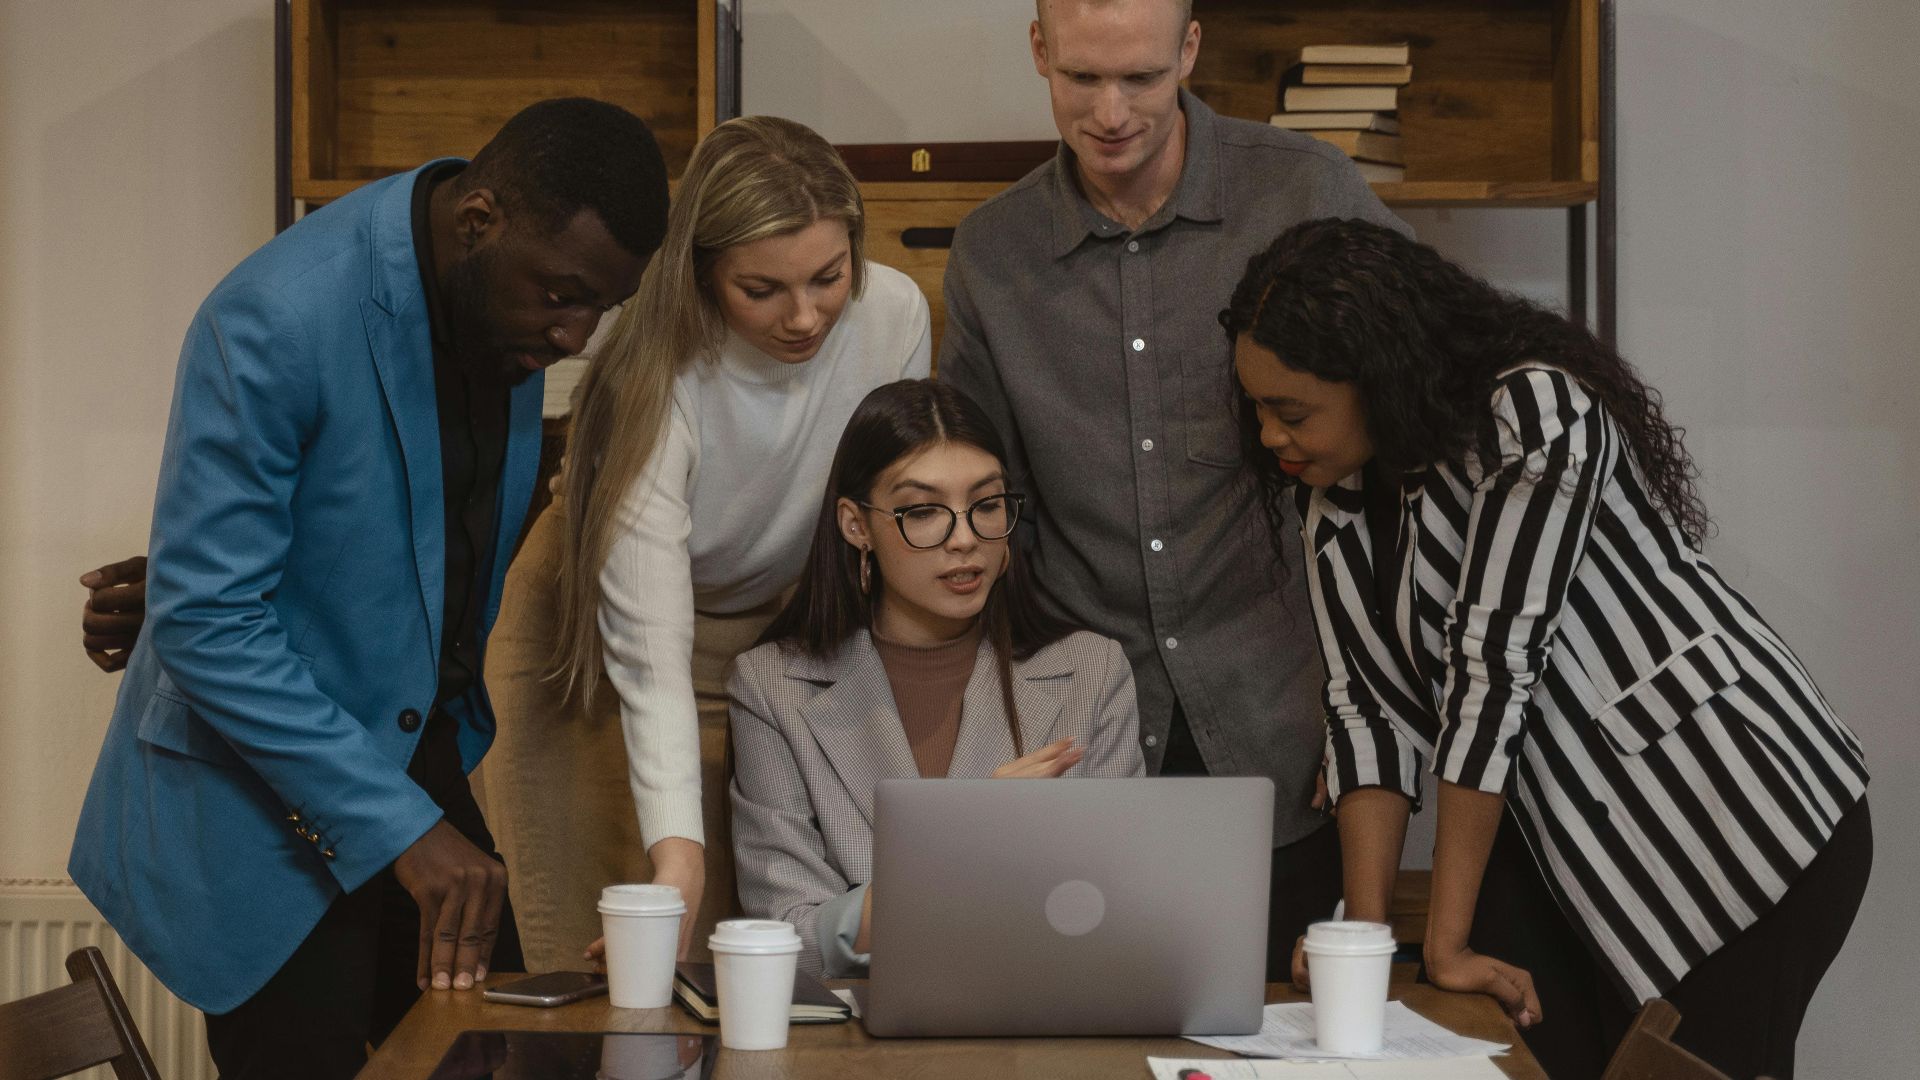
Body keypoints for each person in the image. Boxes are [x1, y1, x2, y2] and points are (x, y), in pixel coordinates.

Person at [66, 98, 667, 1080]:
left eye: (603, 307)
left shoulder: (504, 298)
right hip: (256, 796)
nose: (577, 338)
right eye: (564, 298)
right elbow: (211, 621)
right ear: (479, 224)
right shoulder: (275, 315)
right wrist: (400, 829)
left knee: (513, 1059)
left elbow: (393, 524)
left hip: (412, 750)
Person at [1227, 218, 1871, 1080]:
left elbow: (1493, 673)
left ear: (1374, 379)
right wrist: (1367, 941)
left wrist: (1446, 942)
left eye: (1290, 411)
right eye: (1258, 410)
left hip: (1730, 817)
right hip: (1565, 837)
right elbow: (1366, 712)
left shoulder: (1530, 413)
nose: (1269, 436)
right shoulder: (1334, 500)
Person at [937, 0, 1408, 978]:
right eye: (1081, 78)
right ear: (1039, 52)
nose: (1111, 111)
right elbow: (985, 521)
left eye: (1142, 79)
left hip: (1290, 726)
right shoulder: (993, 254)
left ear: (1190, 51)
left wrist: (1372, 713)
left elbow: (1410, 449)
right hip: (1092, 743)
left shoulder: (1305, 192)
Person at [488, 114, 931, 969]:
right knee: (628, 945)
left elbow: (882, 517)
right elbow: (650, 649)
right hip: (589, 644)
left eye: (828, 278)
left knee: (757, 949)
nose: (804, 317)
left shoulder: (894, 316)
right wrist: (678, 852)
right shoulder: (651, 372)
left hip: (775, 629)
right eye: (760, 289)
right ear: (699, 276)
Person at [729, 379, 1145, 976]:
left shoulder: (1090, 673)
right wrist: (968, 844)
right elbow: (785, 935)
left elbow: (1120, 911)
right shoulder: (772, 687)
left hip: (1040, 1023)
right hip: (858, 1044)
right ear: (856, 525)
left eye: (988, 504)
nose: (965, 539)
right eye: (923, 511)